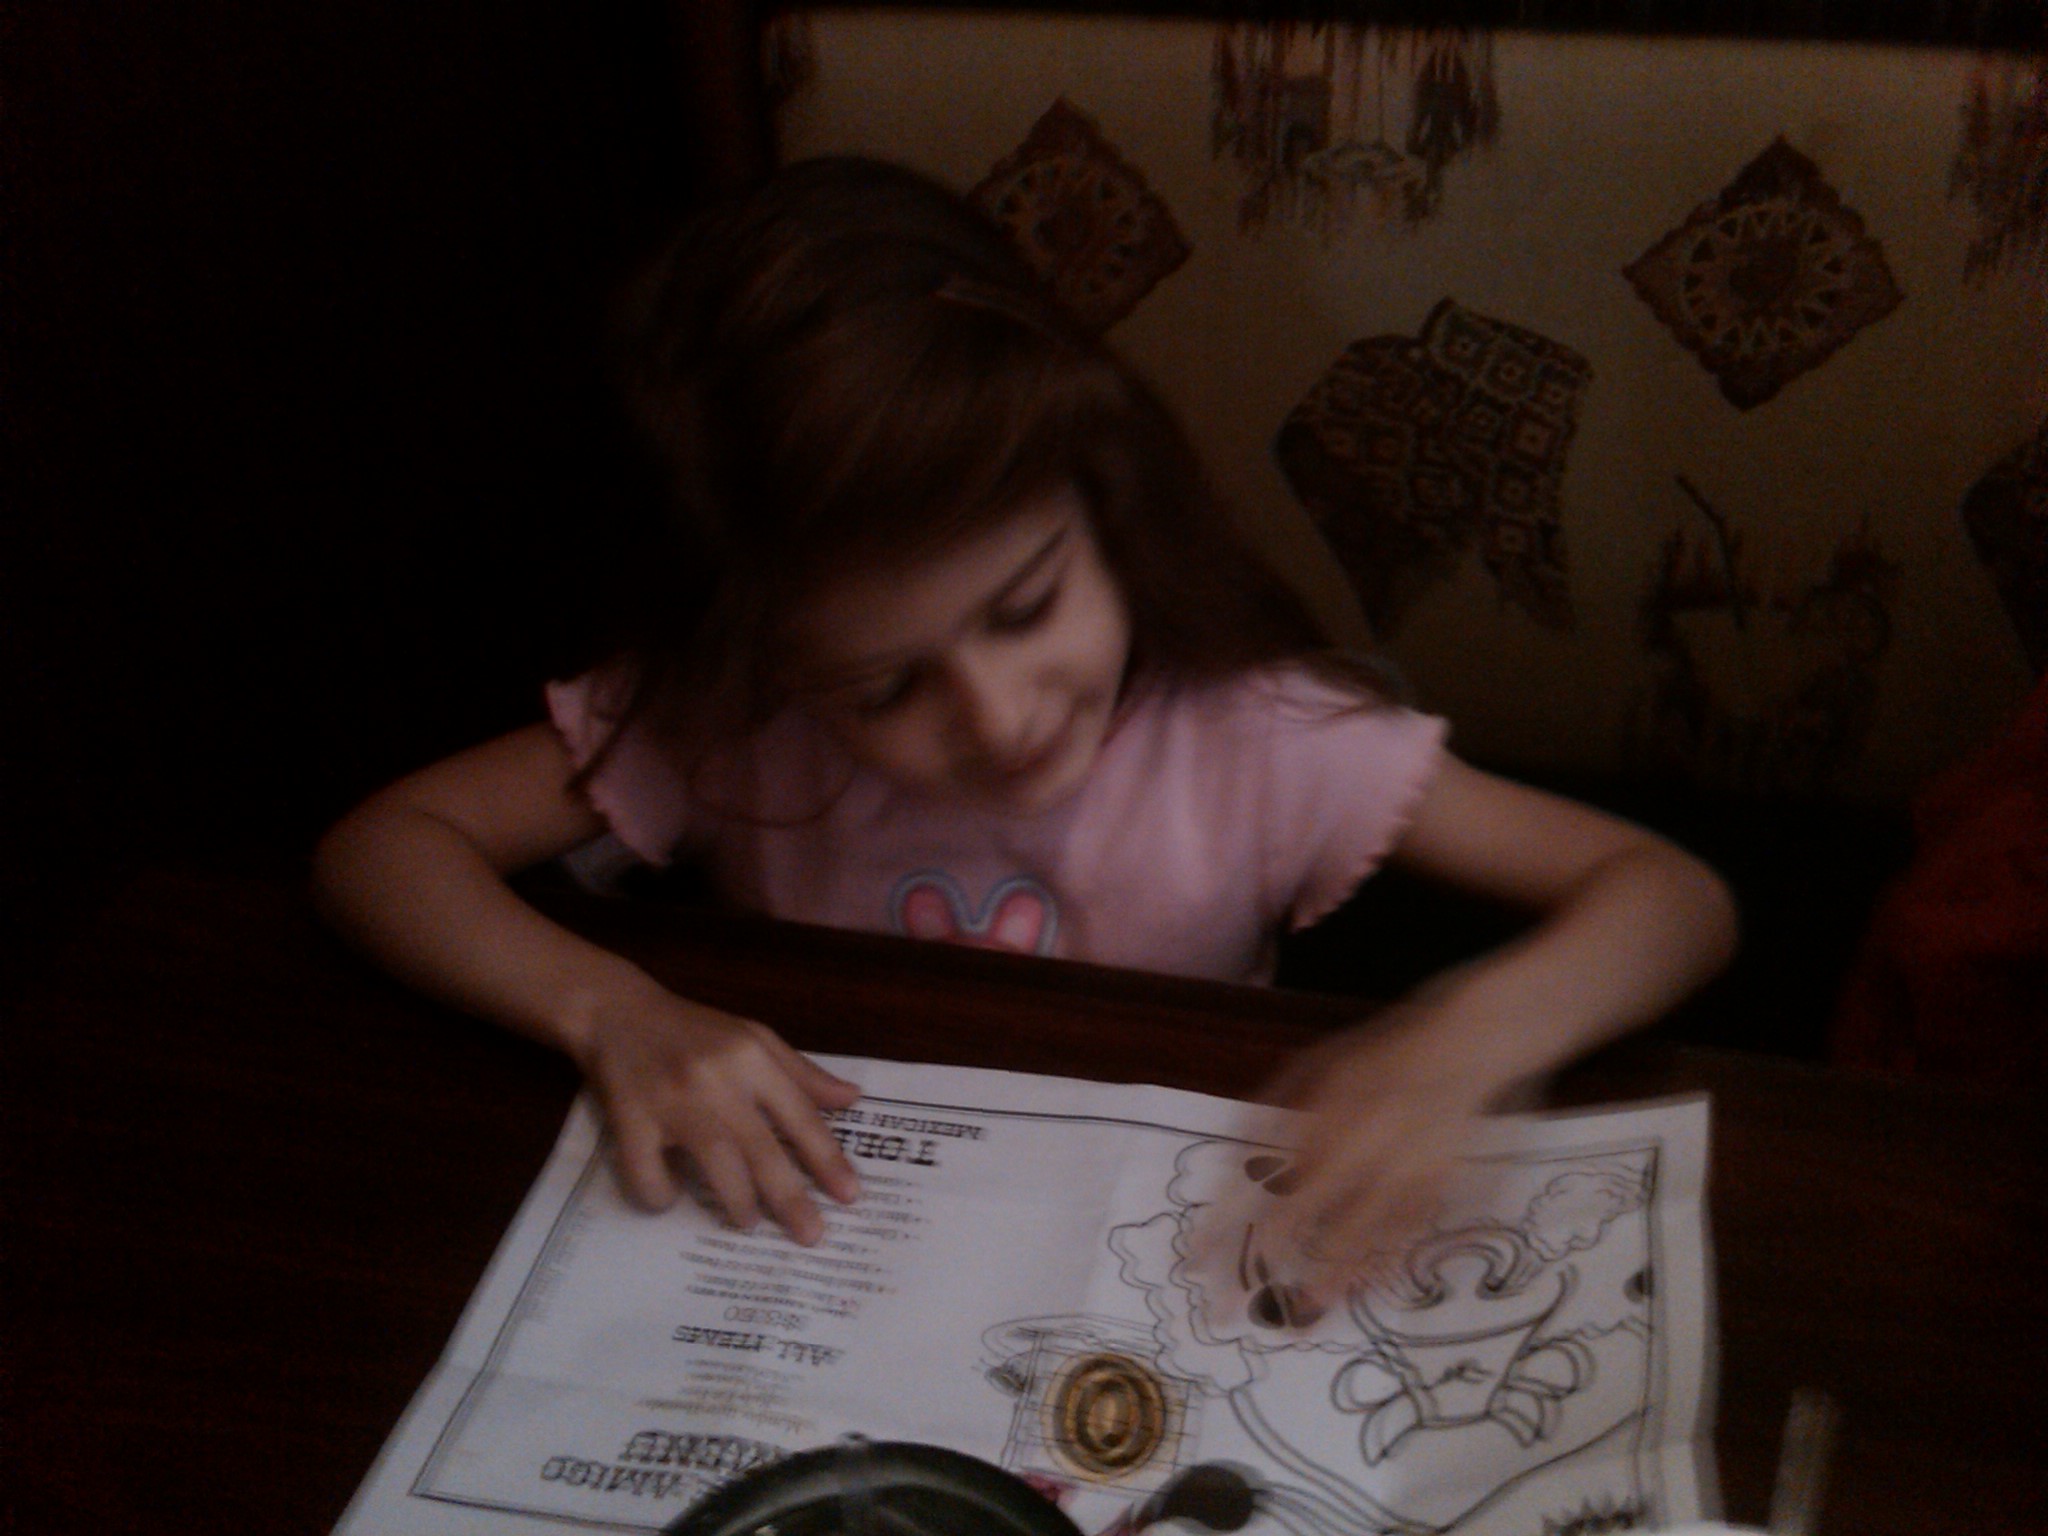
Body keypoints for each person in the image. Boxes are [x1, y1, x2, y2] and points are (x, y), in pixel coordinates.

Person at [312, 156, 1736, 1301]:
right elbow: (386, 846)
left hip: (1159, 1241)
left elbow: (1670, 896)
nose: (995, 720)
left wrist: (1467, 1038)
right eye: (883, 690)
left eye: (1027, 605)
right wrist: (615, 1011)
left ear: (1104, 500)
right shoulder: (739, 715)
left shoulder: (1259, 736)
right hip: (844, 1237)